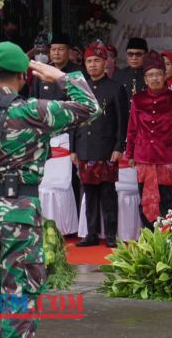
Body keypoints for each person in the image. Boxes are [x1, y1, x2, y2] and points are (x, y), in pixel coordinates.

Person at [0, 41, 100, 337]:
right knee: (19, 294)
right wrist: (61, 76)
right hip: (19, 213)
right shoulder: (34, 112)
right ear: (23, 76)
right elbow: (90, 108)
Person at [71, 41, 127, 248]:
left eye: (97, 61)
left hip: (106, 148)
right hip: (85, 146)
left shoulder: (115, 88)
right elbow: (74, 119)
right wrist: (73, 149)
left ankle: (111, 234)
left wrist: (118, 147)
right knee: (89, 193)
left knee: (107, 193)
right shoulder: (80, 88)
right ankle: (92, 233)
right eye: (89, 61)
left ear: (106, 63)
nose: (92, 65)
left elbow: (123, 121)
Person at [126, 51, 172, 229]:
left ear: (164, 76)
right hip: (143, 156)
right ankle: (149, 236)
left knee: (166, 198)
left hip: (165, 157)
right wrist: (129, 153)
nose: (155, 79)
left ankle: (167, 237)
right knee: (144, 197)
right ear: (145, 79)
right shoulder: (138, 99)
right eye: (150, 75)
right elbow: (132, 128)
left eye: (158, 74)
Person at [29, 32, 84, 216]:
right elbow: (33, 102)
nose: (57, 53)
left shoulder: (76, 73)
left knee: (70, 180)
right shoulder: (42, 72)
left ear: (69, 52)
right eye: (53, 49)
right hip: (46, 134)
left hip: (69, 133)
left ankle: (72, 221)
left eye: (61, 49)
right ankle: (46, 218)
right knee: (46, 179)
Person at [113, 37, 149, 110]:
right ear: (126, 55)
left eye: (138, 54)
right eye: (130, 54)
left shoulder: (151, 75)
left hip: (145, 119)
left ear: (146, 55)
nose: (134, 57)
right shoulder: (119, 75)